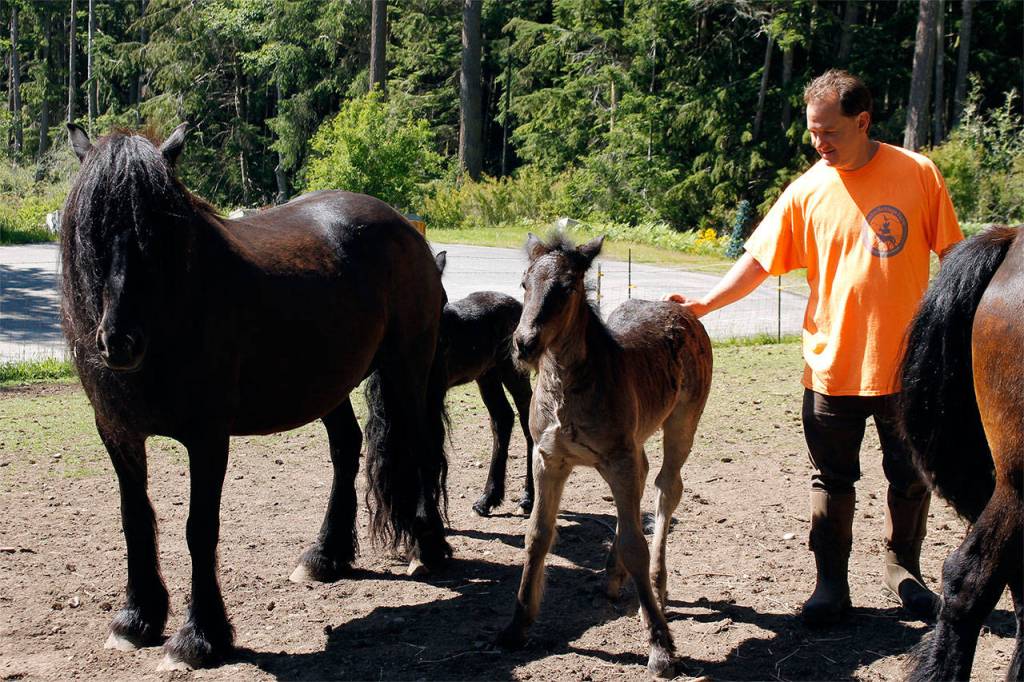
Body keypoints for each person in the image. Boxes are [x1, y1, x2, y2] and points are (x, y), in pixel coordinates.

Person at [666, 69, 963, 626]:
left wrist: (958, 336)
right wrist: (705, 305)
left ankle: (904, 571)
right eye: (812, 133)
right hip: (832, 367)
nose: (819, 143)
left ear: (863, 121)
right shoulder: (806, 190)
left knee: (910, 476)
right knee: (832, 479)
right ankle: (831, 585)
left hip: (909, 369)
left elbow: (953, 258)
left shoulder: (918, 174)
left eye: (829, 132)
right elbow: (758, 261)